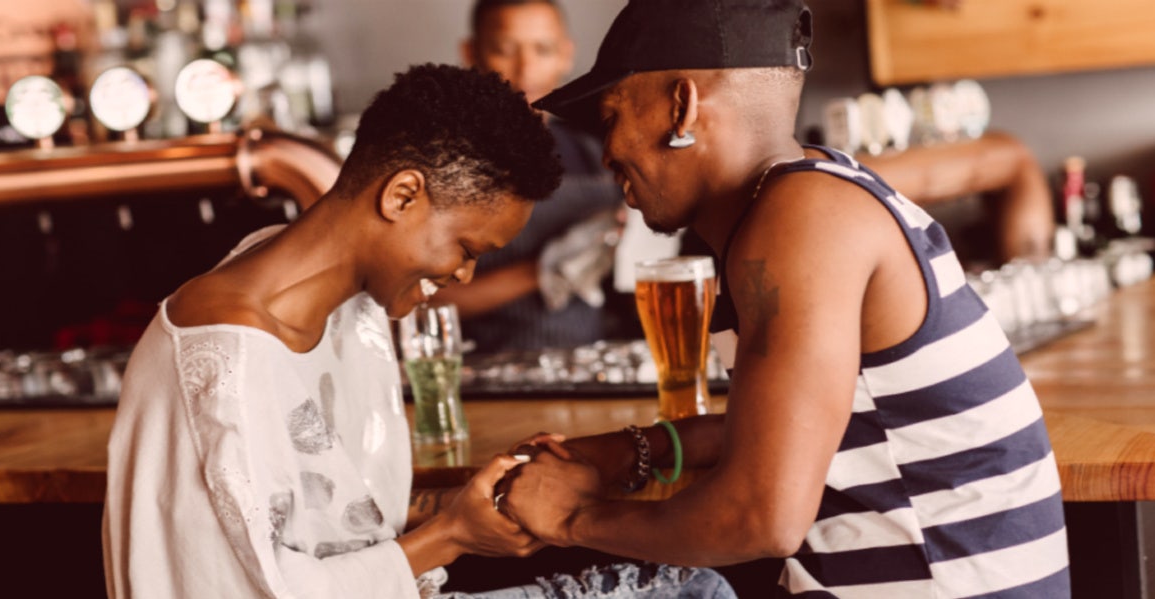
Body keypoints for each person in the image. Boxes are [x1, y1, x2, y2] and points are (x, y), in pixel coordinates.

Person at [499, 1, 1071, 597]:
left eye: (612, 115)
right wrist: (632, 449)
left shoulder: (800, 223)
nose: (608, 150)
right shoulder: (809, 194)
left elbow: (761, 517)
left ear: (682, 106)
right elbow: (808, 422)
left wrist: (571, 518)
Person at [101, 62, 733, 599]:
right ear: (403, 195)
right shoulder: (223, 363)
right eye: (465, 246)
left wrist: (479, 505)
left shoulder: (337, 295)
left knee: (693, 583)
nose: (464, 273)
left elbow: (336, 519)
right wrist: (450, 537)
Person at [431, 0, 628, 353]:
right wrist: (542, 272)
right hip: (486, 374)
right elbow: (417, 305)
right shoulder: (443, 165)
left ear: (566, 55)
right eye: (505, 50)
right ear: (470, 53)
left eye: (543, 49)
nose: (526, 69)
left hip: (588, 367)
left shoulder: (598, 154)